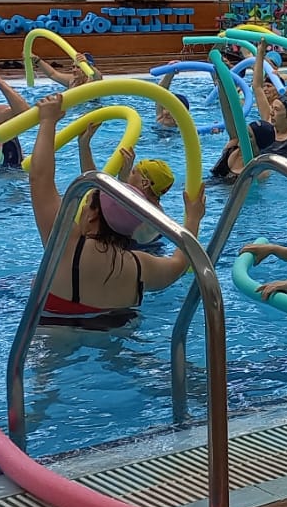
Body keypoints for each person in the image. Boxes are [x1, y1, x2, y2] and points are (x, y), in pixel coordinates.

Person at [26, 94, 204, 330]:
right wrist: (193, 218)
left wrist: (47, 121)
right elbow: (179, 264)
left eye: (87, 203)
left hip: (52, 339)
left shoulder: (65, 245)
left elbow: (39, 178)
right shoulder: (141, 266)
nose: (83, 207)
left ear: (92, 216)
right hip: (115, 339)